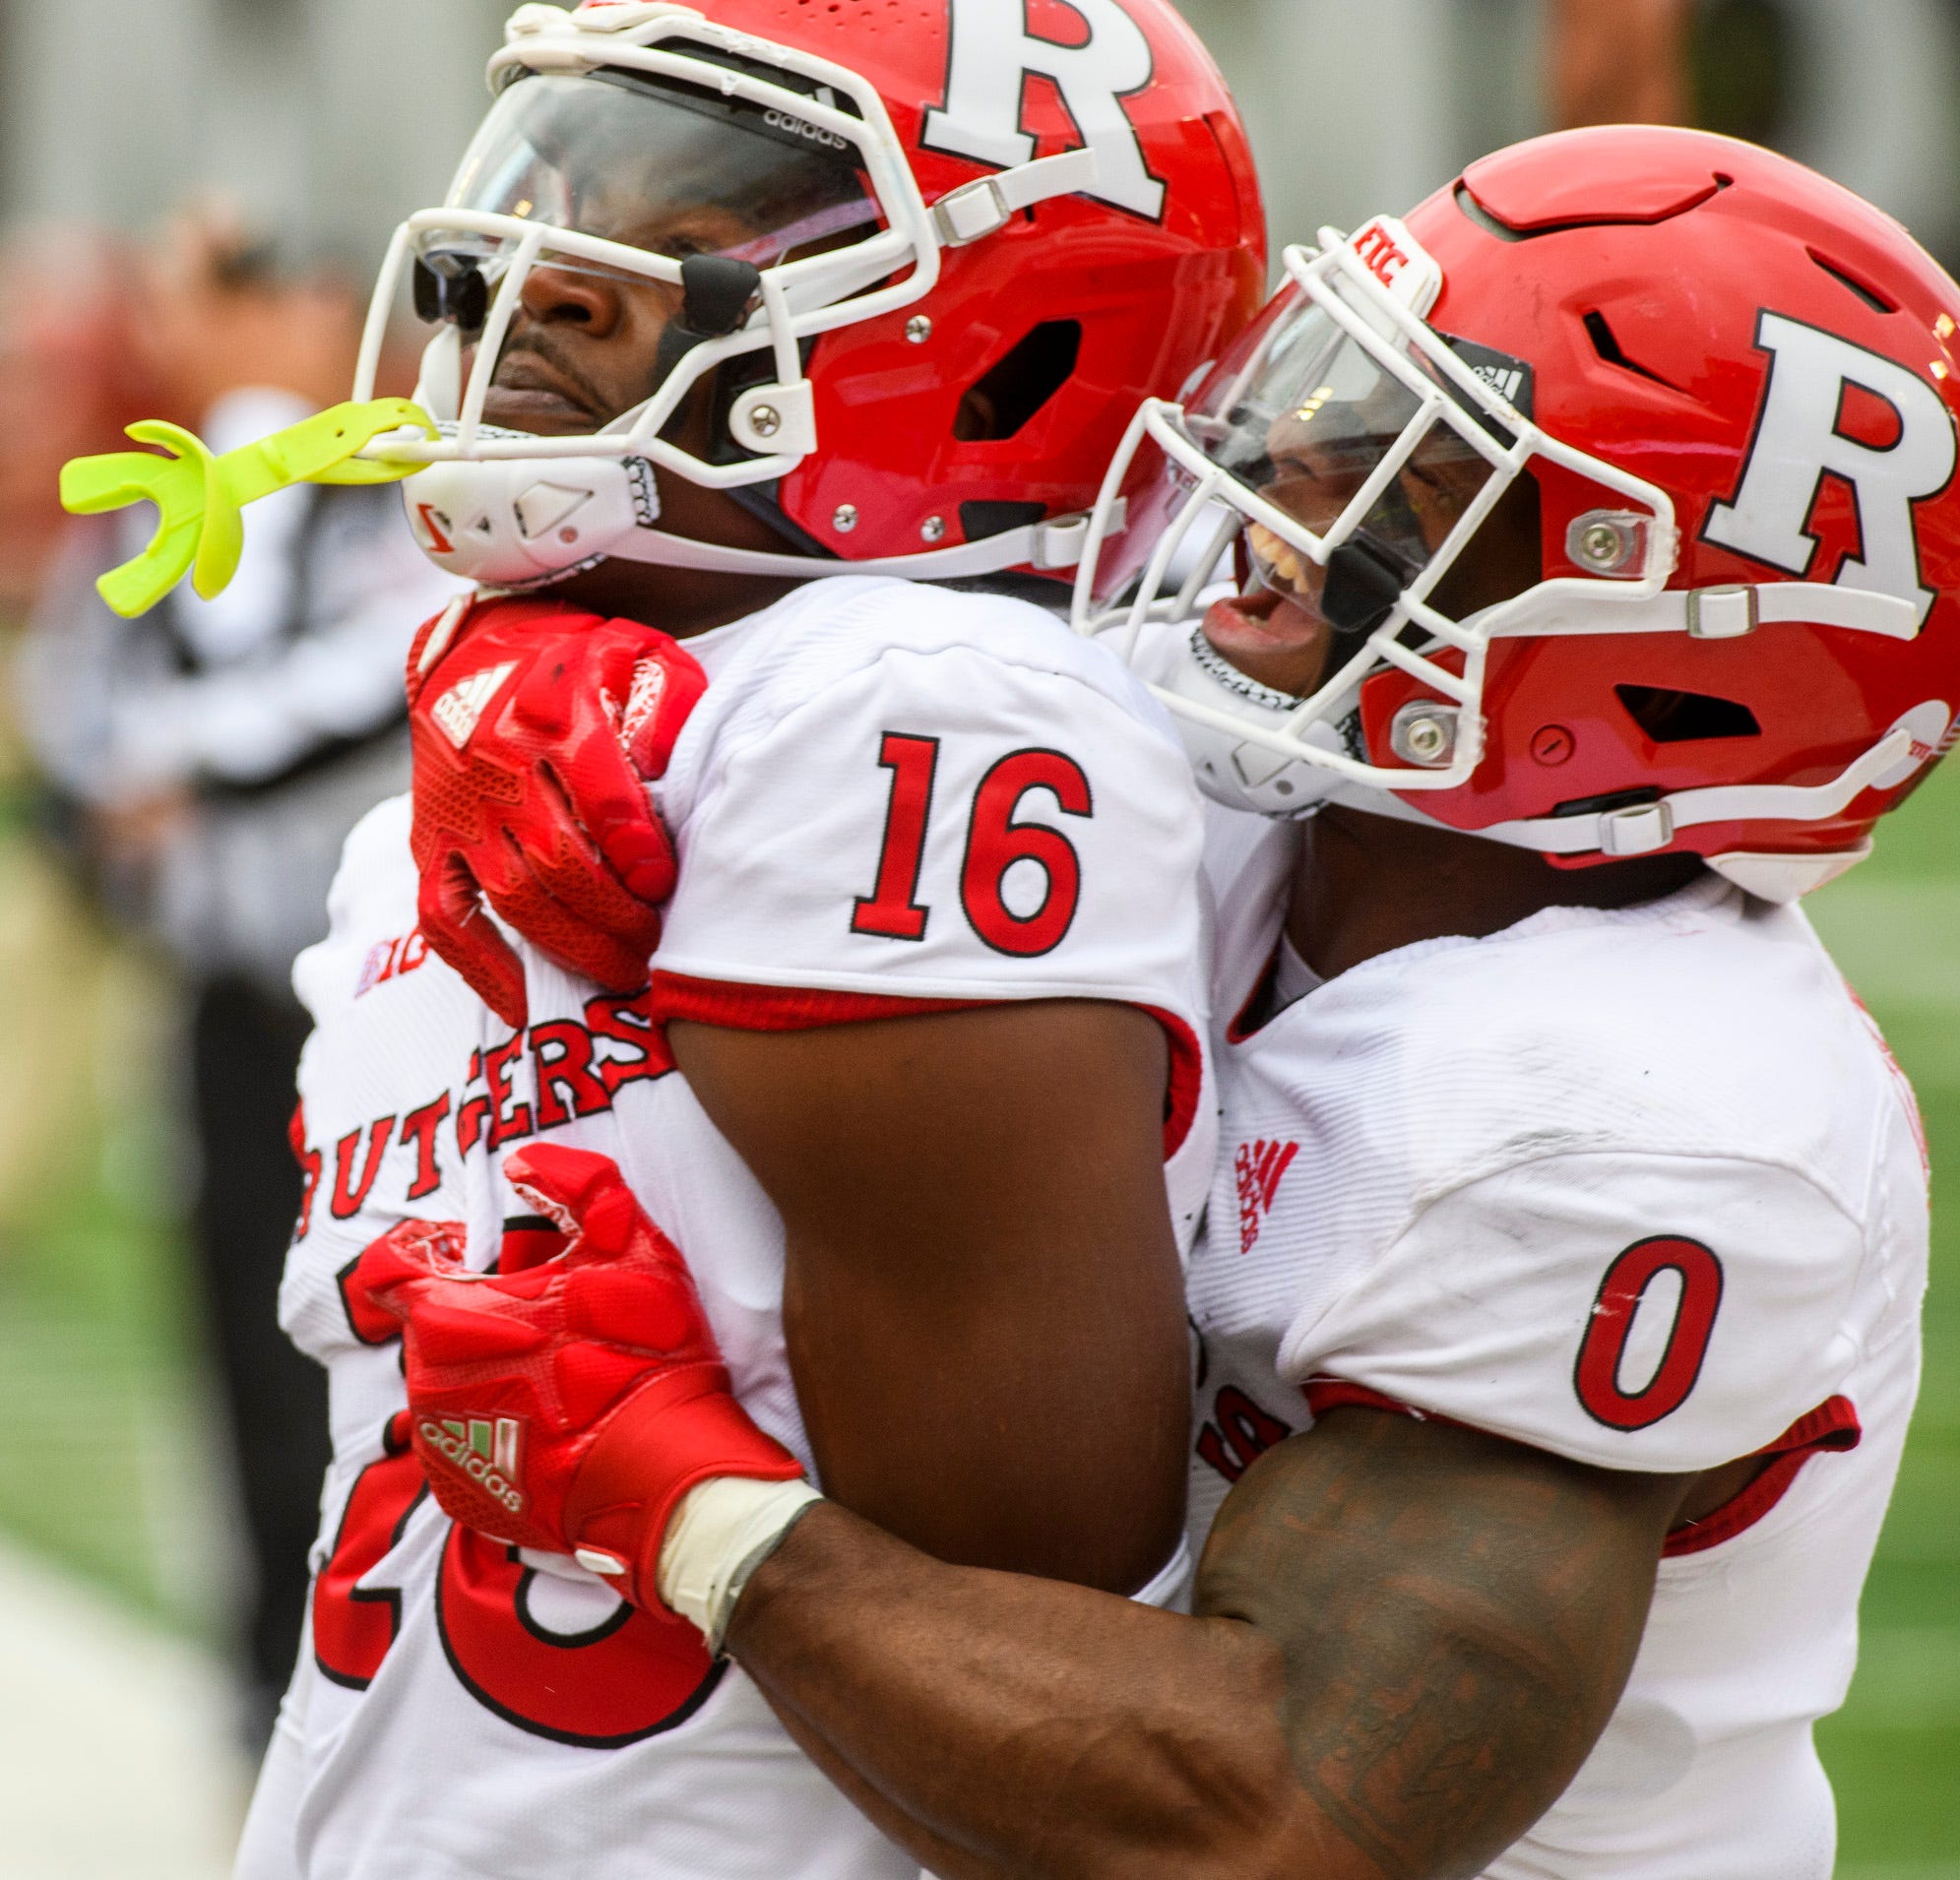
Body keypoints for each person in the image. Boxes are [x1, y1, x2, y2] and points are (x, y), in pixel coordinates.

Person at [361, 125, 1960, 1878]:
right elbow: (848, 618)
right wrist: (525, 654)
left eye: (1418, 462)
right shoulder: (1261, 792)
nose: (1287, 454)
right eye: (1339, 379)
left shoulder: (1649, 1122)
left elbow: (1258, 1822)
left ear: (1669, 644)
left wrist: (681, 1503)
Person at [225, 2, 1265, 1875]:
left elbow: (1028, 1618)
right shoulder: (503, 757)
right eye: (555, 195)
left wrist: (680, 1505)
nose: (542, 279)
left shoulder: (913, 705)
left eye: (694, 233)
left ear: (1002, 332)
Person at [17, 211, 460, 1748]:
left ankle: (400, 1660)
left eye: (217, 298)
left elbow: (376, 677)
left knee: (400, 1334)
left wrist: (174, 763)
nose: (196, 334)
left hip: (392, 1003)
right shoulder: (151, 496)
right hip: (217, 988)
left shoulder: (398, 486)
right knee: (233, 1327)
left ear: (317, 302)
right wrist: (108, 789)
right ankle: (270, 1661)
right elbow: (70, 699)